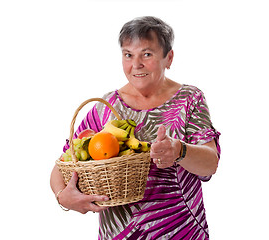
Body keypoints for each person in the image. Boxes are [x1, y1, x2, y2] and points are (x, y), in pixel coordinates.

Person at [50, 16, 221, 239]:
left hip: (181, 231)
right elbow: (62, 165)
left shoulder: (190, 99)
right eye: (128, 55)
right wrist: (63, 197)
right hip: (119, 234)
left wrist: (180, 150)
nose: (136, 64)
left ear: (168, 58)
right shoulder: (106, 107)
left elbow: (210, 164)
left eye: (147, 54)